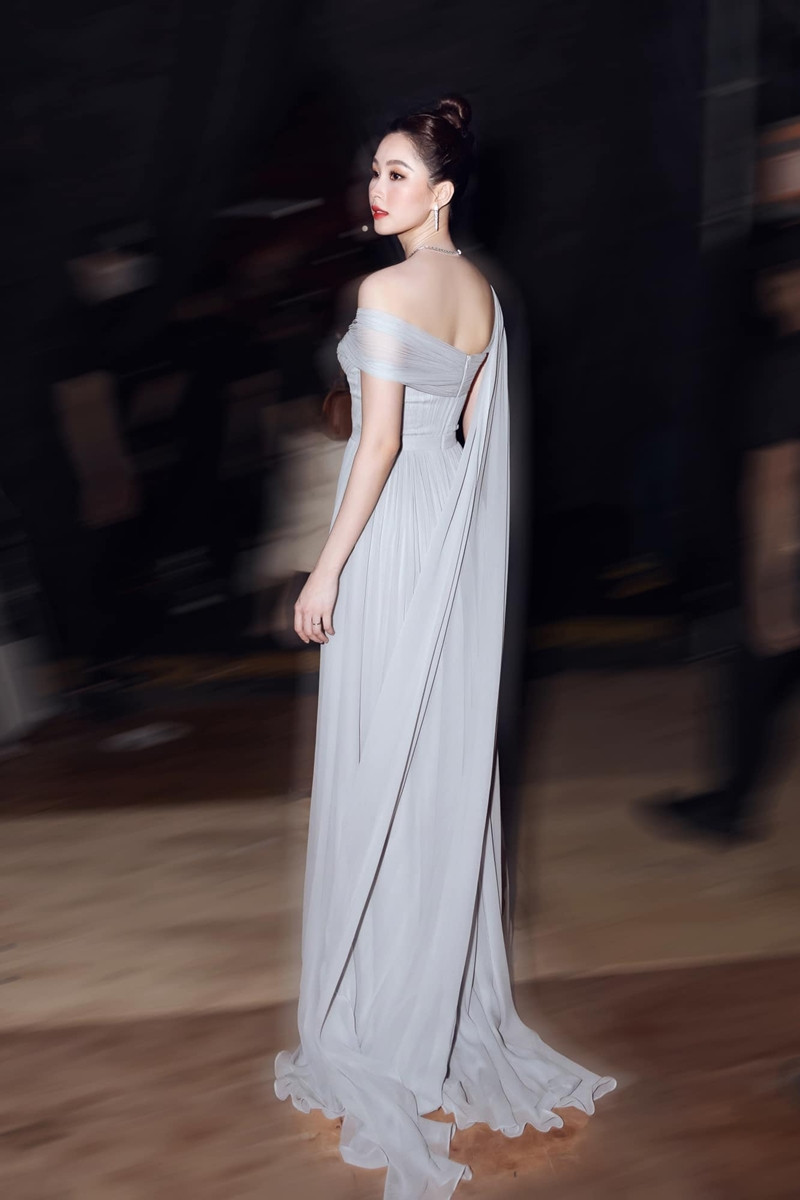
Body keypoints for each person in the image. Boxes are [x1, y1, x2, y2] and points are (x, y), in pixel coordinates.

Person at [274, 96, 615, 1198]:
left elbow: (376, 445)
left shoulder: (385, 292)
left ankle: (378, 1010)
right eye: (373, 172)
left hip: (386, 538)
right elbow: (464, 432)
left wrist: (327, 568)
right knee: (430, 766)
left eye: (395, 174)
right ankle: (431, 993)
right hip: (448, 542)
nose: (375, 191)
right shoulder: (483, 295)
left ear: (442, 189)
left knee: (381, 759)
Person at [641, 222, 800, 845]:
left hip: (790, 556)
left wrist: (768, 585)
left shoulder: (783, 367)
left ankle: (730, 808)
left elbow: (774, 482)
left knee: (752, 678)